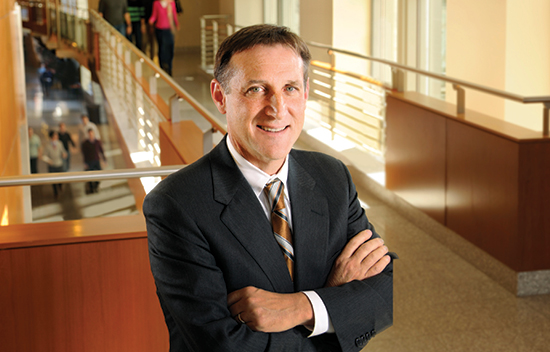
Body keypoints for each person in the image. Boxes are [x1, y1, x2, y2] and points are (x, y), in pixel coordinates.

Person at [144, 24, 396, 351]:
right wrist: (336, 302)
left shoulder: (332, 176)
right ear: (221, 97)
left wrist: (304, 307)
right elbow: (225, 346)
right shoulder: (176, 205)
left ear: (305, 93)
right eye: (256, 89)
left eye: (289, 87)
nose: (277, 109)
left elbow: (386, 291)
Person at [148, 0, 179, 76]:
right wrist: (151, 21)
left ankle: (169, 66)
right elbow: (154, 15)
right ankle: (163, 66)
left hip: (169, 29)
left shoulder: (171, 3)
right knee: (162, 48)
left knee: (170, 47)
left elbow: (174, 15)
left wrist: (177, 24)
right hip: (160, 29)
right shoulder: (156, 4)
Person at [43, 130, 67, 199]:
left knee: (60, 178)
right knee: (53, 180)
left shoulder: (59, 143)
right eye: (55, 135)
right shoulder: (47, 145)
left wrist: (64, 154)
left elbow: (63, 151)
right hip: (52, 165)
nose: (57, 136)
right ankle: (55, 192)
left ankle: (60, 186)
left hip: (59, 163)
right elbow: (44, 156)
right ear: (52, 137)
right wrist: (48, 160)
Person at [81, 129, 106, 194]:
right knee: (89, 175)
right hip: (89, 161)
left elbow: (101, 151)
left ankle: (96, 185)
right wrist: (85, 163)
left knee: (99, 173)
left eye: (92, 134)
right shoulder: (85, 143)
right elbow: (84, 154)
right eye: (90, 134)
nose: (91, 135)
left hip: (96, 160)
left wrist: (104, 160)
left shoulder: (97, 142)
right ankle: (91, 188)